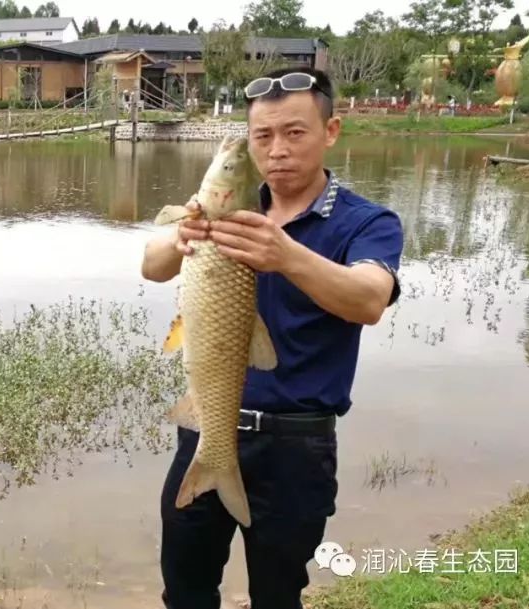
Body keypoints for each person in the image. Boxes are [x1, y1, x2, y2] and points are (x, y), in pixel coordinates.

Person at [141, 67, 403, 609]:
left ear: (331, 132)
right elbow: (152, 265)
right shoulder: (227, 207)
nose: (276, 149)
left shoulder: (368, 222)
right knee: (185, 590)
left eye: (294, 133)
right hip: (207, 427)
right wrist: (182, 237)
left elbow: (370, 298)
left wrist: (286, 255)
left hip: (295, 447)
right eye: (263, 136)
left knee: (278, 595)